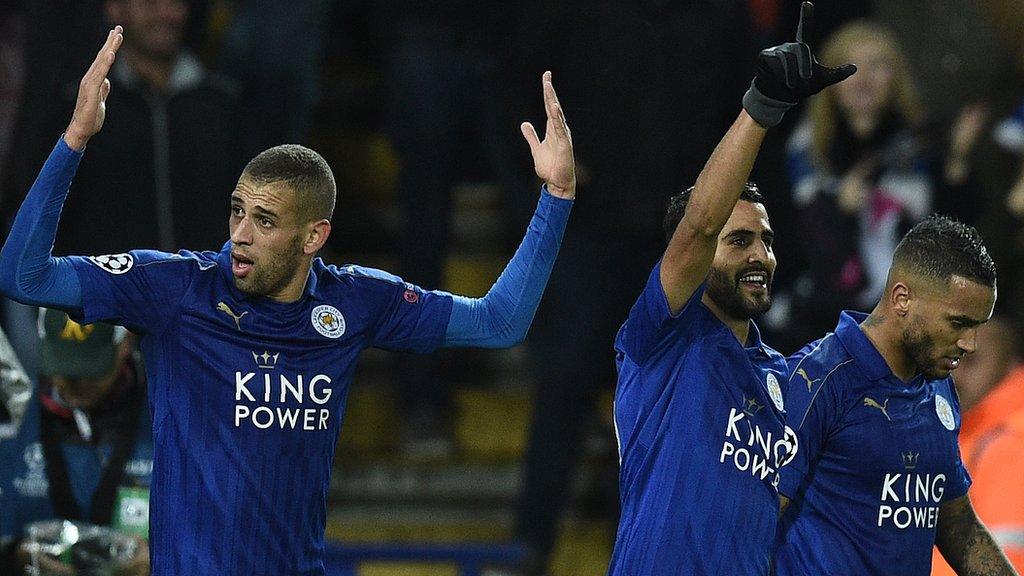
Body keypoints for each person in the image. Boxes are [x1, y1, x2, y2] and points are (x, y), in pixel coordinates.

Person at [0, 26, 576, 576]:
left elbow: (500, 322)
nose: (239, 234)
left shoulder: (355, 302)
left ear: (313, 237)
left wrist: (556, 197)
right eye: (237, 210)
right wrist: (74, 140)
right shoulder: (174, 290)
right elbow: (23, 276)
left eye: (264, 220)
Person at [607, 3, 856, 574]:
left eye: (765, 241)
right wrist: (762, 108)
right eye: (738, 239)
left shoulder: (784, 379)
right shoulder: (661, 341)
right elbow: (697, 227)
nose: (761, 256)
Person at [776, 216, 1018, 575]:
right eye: (958, 323)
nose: (970, 344)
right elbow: (754, 518)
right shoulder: (818, 381)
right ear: (902, 298)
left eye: (977, 326)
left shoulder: (938, 389)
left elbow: (958, 528)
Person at [784, 20, 932, 345]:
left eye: (877, 66)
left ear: (896, 78)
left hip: (909, 309)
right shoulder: (805, 147)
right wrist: (843, 211)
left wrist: (956, 171)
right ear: (830, 79)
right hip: (822, 317)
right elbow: (803, 245)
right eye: (850, 66)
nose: (862, 79)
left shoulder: (922, 146)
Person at [0, 309, 150, 575]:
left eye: (90, 368)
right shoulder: (15, 411)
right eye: (64, 366)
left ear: (125, 344)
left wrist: (164, 559)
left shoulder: (166, 415)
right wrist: (15, 556)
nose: (76, 383)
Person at [931, 316, 1024, 575]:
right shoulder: (972, 432)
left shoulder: (1013, 443)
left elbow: (1008, 557)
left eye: (971, 361)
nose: (955, 374)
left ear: (1010, 366)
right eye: (953, 359)